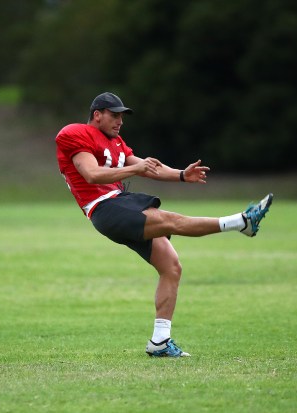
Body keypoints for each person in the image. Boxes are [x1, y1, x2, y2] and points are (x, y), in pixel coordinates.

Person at [55, 92, 272, 357]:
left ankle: (160, 341)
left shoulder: (117, 143)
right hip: (104, 207)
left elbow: (148, 167)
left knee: (171, 265)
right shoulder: (74, 133)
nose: (120, 121)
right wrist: (135, 169)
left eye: (122, 116)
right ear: (97, 115)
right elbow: (92, 174)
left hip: (120, 202)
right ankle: (241, 222)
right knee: (171, 220)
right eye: (114, 115)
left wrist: (182, 175)